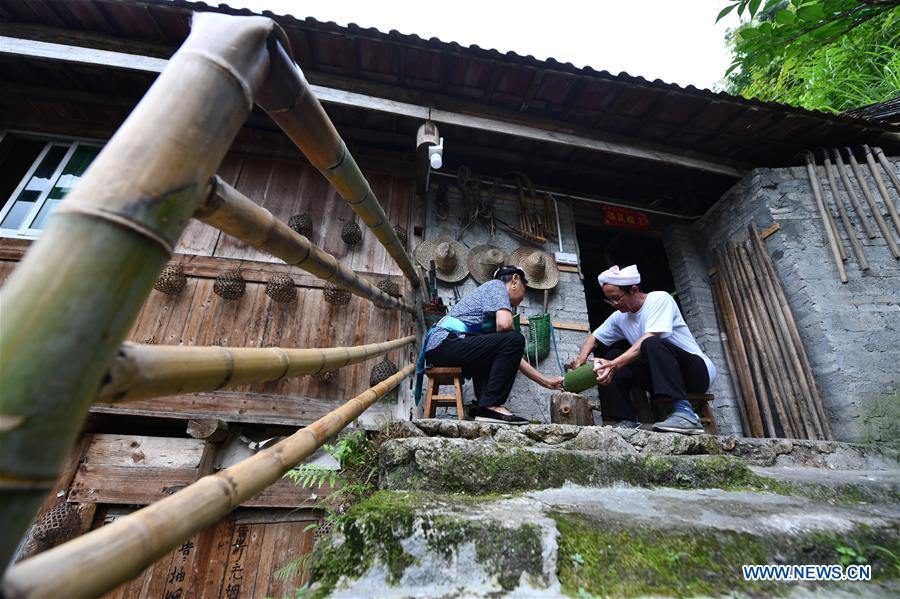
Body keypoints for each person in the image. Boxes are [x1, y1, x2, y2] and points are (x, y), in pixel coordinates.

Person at [571, 265, 716, 435]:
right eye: (609, 300)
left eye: (617, 298)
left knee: (651, 343)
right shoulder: (620, 316)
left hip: (697, 374)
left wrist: (614, 364)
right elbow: (594, 339)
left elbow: (649, 338)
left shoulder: (659, 299)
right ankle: (624, 421)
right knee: (611, 355)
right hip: (660, 377)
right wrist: (581, 360)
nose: (614, 304)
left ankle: (686, 413)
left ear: (633, 290)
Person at [418, 265, 564, 425]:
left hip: (442, 349)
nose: (523, 296)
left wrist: (545, 381)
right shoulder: (497, 286)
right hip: (445, 343)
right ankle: (490, 406)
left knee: (506, 345)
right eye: (525, 287)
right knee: (515, 339)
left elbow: (515, 358)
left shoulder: (490, 311)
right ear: (514, 279)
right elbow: (506, 325)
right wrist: (511, 332)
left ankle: (483, 407)